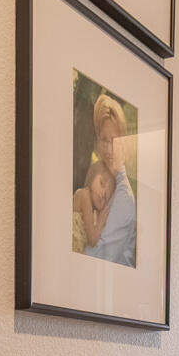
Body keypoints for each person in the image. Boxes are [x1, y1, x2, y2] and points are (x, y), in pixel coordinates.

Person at [81, 93, 137, 267]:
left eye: (115, 140)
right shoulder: (97, 174)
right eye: (104, 140)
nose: (109, 149)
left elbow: (96, 256)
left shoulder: (124, 198)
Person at [72, 154, 116, 254]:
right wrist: (101, 220)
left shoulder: (93, 211)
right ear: (92, 177)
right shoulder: (84, 195)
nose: (102, 193)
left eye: (106, 197)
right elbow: (92, 240)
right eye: (101, 183)